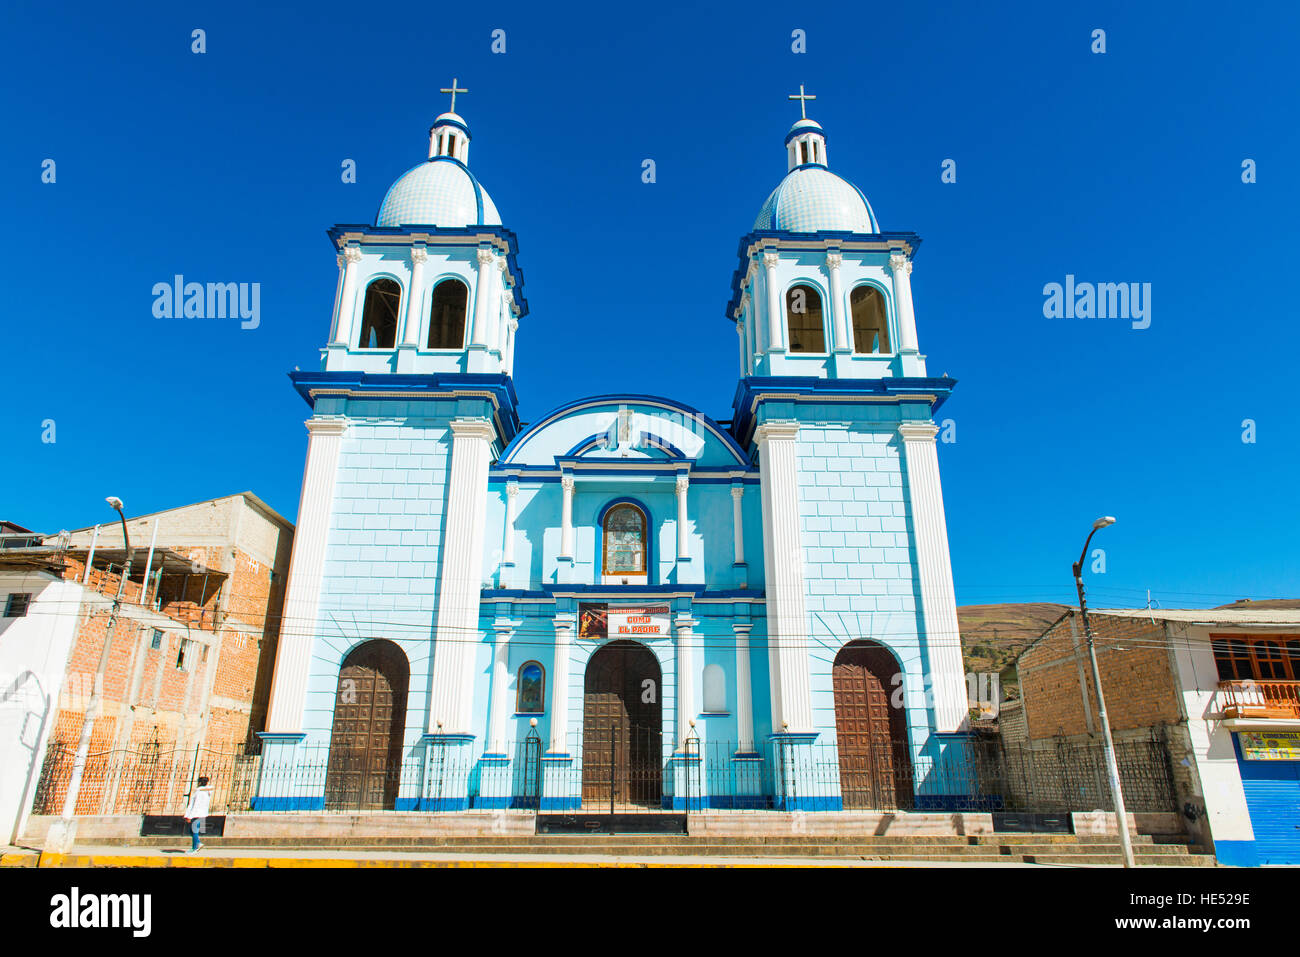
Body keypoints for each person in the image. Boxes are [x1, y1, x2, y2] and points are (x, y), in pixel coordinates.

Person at [183, 776, 214, 853]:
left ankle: (195, 847)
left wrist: (189, 816)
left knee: (194, 831)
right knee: (193, 831)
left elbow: (195, 805)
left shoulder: (199, 792)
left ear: (199, 783)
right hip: (202, 814)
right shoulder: (206, 792)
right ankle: (197, 843)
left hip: (197, 814)